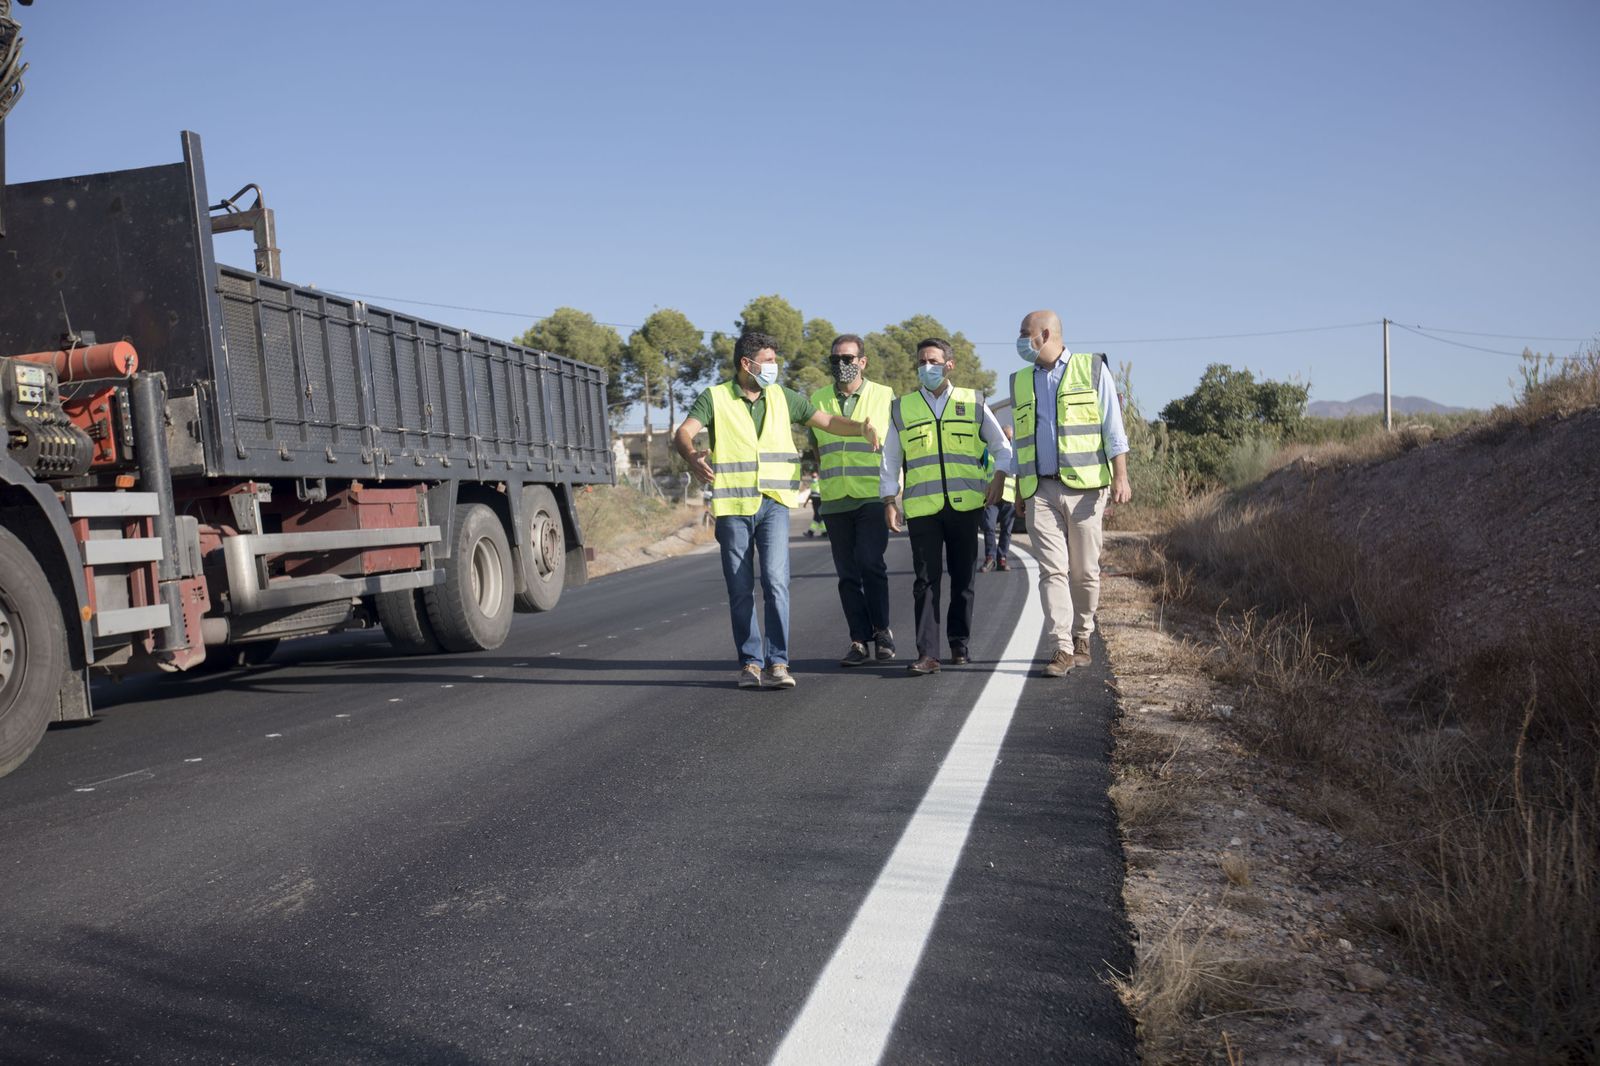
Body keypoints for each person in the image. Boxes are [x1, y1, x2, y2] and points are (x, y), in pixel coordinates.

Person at [675, 330, 878, 690]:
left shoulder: (783, 397)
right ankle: (751, 662)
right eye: (768, 361)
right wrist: (692, 456)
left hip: (775, 504)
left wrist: (860, 428)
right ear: (746, 364)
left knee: (776, 583)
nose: (775, 367)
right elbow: (684, 432)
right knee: (740, 589)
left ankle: (778, 662)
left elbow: (828, 421)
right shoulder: (715, 397)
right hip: (734, 506)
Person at [1011, 309, 1132, 677]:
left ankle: (1083, 634)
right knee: (1052, 571)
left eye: (1023, 333)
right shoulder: (1020, 382)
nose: (1018, 340)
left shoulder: (1092, 369)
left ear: (1045, 334)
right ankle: (1061, 647)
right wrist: (1020, 488)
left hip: (1086, 489)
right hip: (1040, 489)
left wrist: (1121, 475)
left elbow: (1113, 425)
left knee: (1084, 572)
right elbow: (1021, 442)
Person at [881, 338, 1012, 675]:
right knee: (925, 581)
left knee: (963, 577)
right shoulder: (902, 408)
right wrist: (889, 500)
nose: (927, 367)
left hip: (966, 505)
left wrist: (999, 477)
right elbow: (891, 458)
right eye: (922, 361)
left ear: (949, 364)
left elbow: (1002, 448)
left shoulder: (973, 402)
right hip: (923, 508)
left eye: (934, 361)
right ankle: (928, 654)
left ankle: (959, 642)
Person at [809, 333, 896, 666]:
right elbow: (816, 446)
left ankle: (882, 631)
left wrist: (893, 494)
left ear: (863, 362)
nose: (841, 365)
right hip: (835, 500)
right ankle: (859, 640)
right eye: (835, 359)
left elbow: (895, 447)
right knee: (847, 573)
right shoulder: (817, 398)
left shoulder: (885, 396)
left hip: (873, 496)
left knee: (870, 563)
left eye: (847, 359)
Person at [979, 431, 1018, 572]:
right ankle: (990, 558)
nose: (1008, 440)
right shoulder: (988, 452)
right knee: (989, 526)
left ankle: (1002, 559)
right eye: (1006, 437)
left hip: (1009, 497)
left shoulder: (1015, 453)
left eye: (1010, 437)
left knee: (1006, 530)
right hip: (992, 497)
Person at [803, 473, 826, 538]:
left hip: (819, 501)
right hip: (814, 502)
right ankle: (825, 532)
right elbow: (811, 494)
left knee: (817, 517)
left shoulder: (820, 483)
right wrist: (806, 502)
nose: (814, 478)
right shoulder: (812, 484)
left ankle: (810, 532)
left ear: (818, 476)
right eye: (813, 476)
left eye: (815, 476)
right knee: (819, 517)